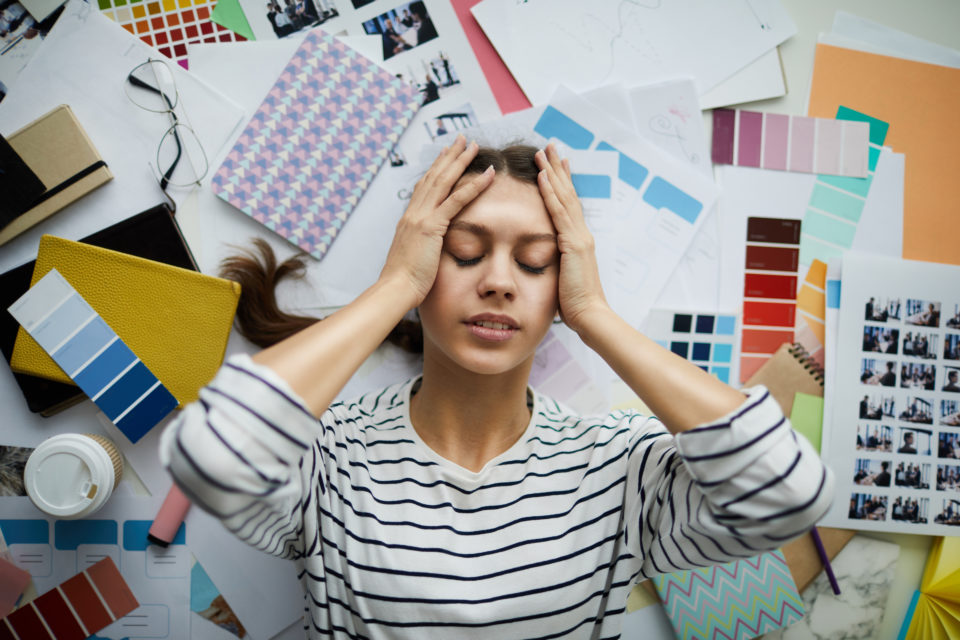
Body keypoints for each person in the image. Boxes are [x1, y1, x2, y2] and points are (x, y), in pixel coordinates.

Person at [159, 139, 833, 638]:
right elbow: (207, 456)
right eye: (465, 252)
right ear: (425, 263)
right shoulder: (331, 456)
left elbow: (790, 494)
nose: (500, 282)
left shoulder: (620, 464)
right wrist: (394, 289)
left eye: (535, 261)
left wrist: (595, 315)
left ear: (561, 285)